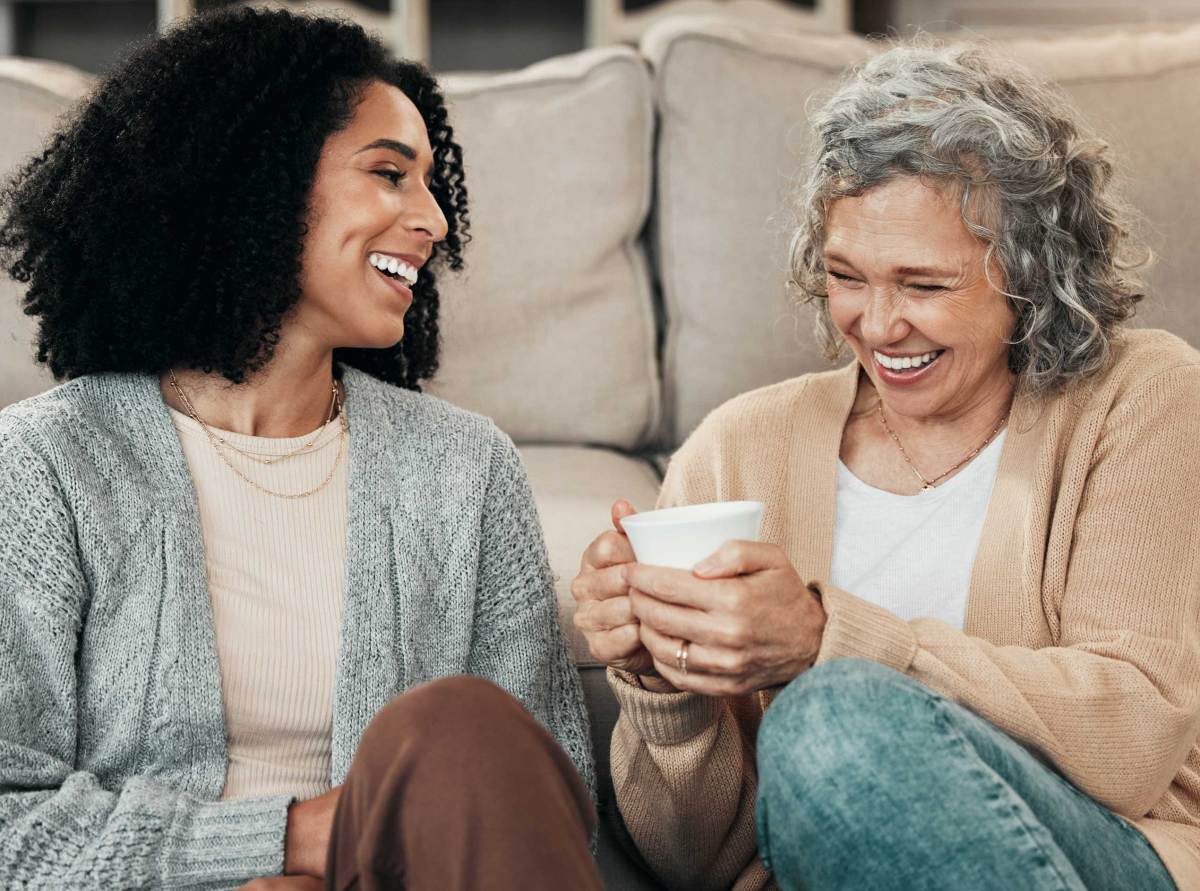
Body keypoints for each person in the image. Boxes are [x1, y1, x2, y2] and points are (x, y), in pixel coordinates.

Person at [573, 40, 1200, 891]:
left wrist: (823, 641)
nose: (878, 324)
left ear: (1031, 273)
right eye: (846, 276)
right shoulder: (735, 449)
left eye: (925, 284)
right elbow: (699, 862)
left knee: (829, 718)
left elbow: (1131, 741)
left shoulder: (1144, 396)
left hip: (1109, 854)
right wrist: (660, 681)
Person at [0, 9, 599, 890]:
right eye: (390, 174)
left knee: (460, 726)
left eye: (431, 184)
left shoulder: (466, 469)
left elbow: (545, 798)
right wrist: (291, 842)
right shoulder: (46, 467)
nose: (433, 221)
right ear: (255, 181)